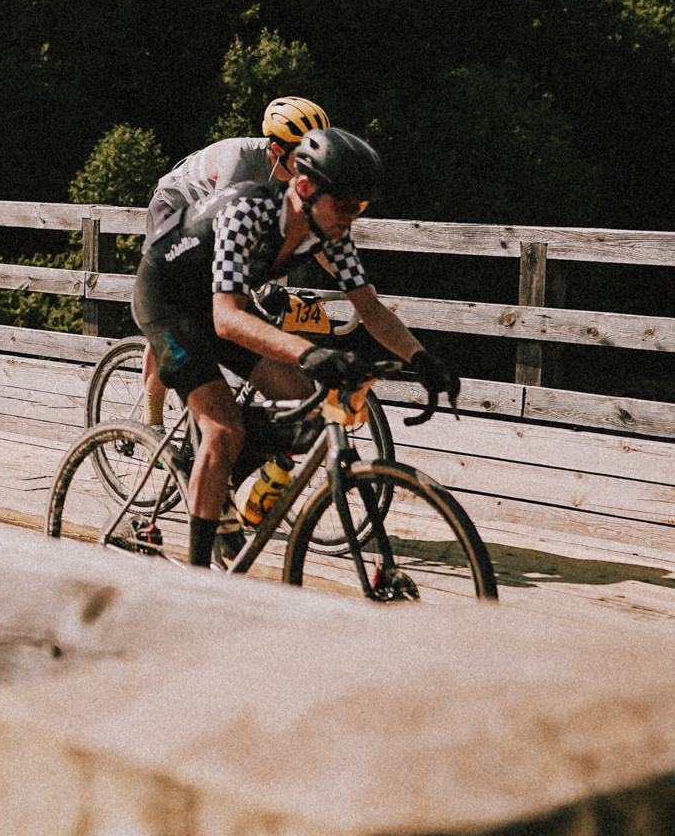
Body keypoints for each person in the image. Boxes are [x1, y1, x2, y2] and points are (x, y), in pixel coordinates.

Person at [130, 126, 457, 566]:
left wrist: (420, 358)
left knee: (306, 399)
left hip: (215, 303)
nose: (352, 217)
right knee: (224, 429)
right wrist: (309, 352)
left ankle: (217, 474)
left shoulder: (329, 233)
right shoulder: (246, 211)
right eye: (344, 205)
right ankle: (196, 576)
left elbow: (370, 308)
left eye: (359, 207)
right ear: (303, 188)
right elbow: (227, 319)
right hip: (168, 299)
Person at [136, 96, 331, 425]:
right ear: (277, 148)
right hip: (176, 207)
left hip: (211, 218)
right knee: (180, 310)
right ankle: (151, 419)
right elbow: (218, 229)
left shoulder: (295, 176)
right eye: (302, 154)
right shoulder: (240, 160)